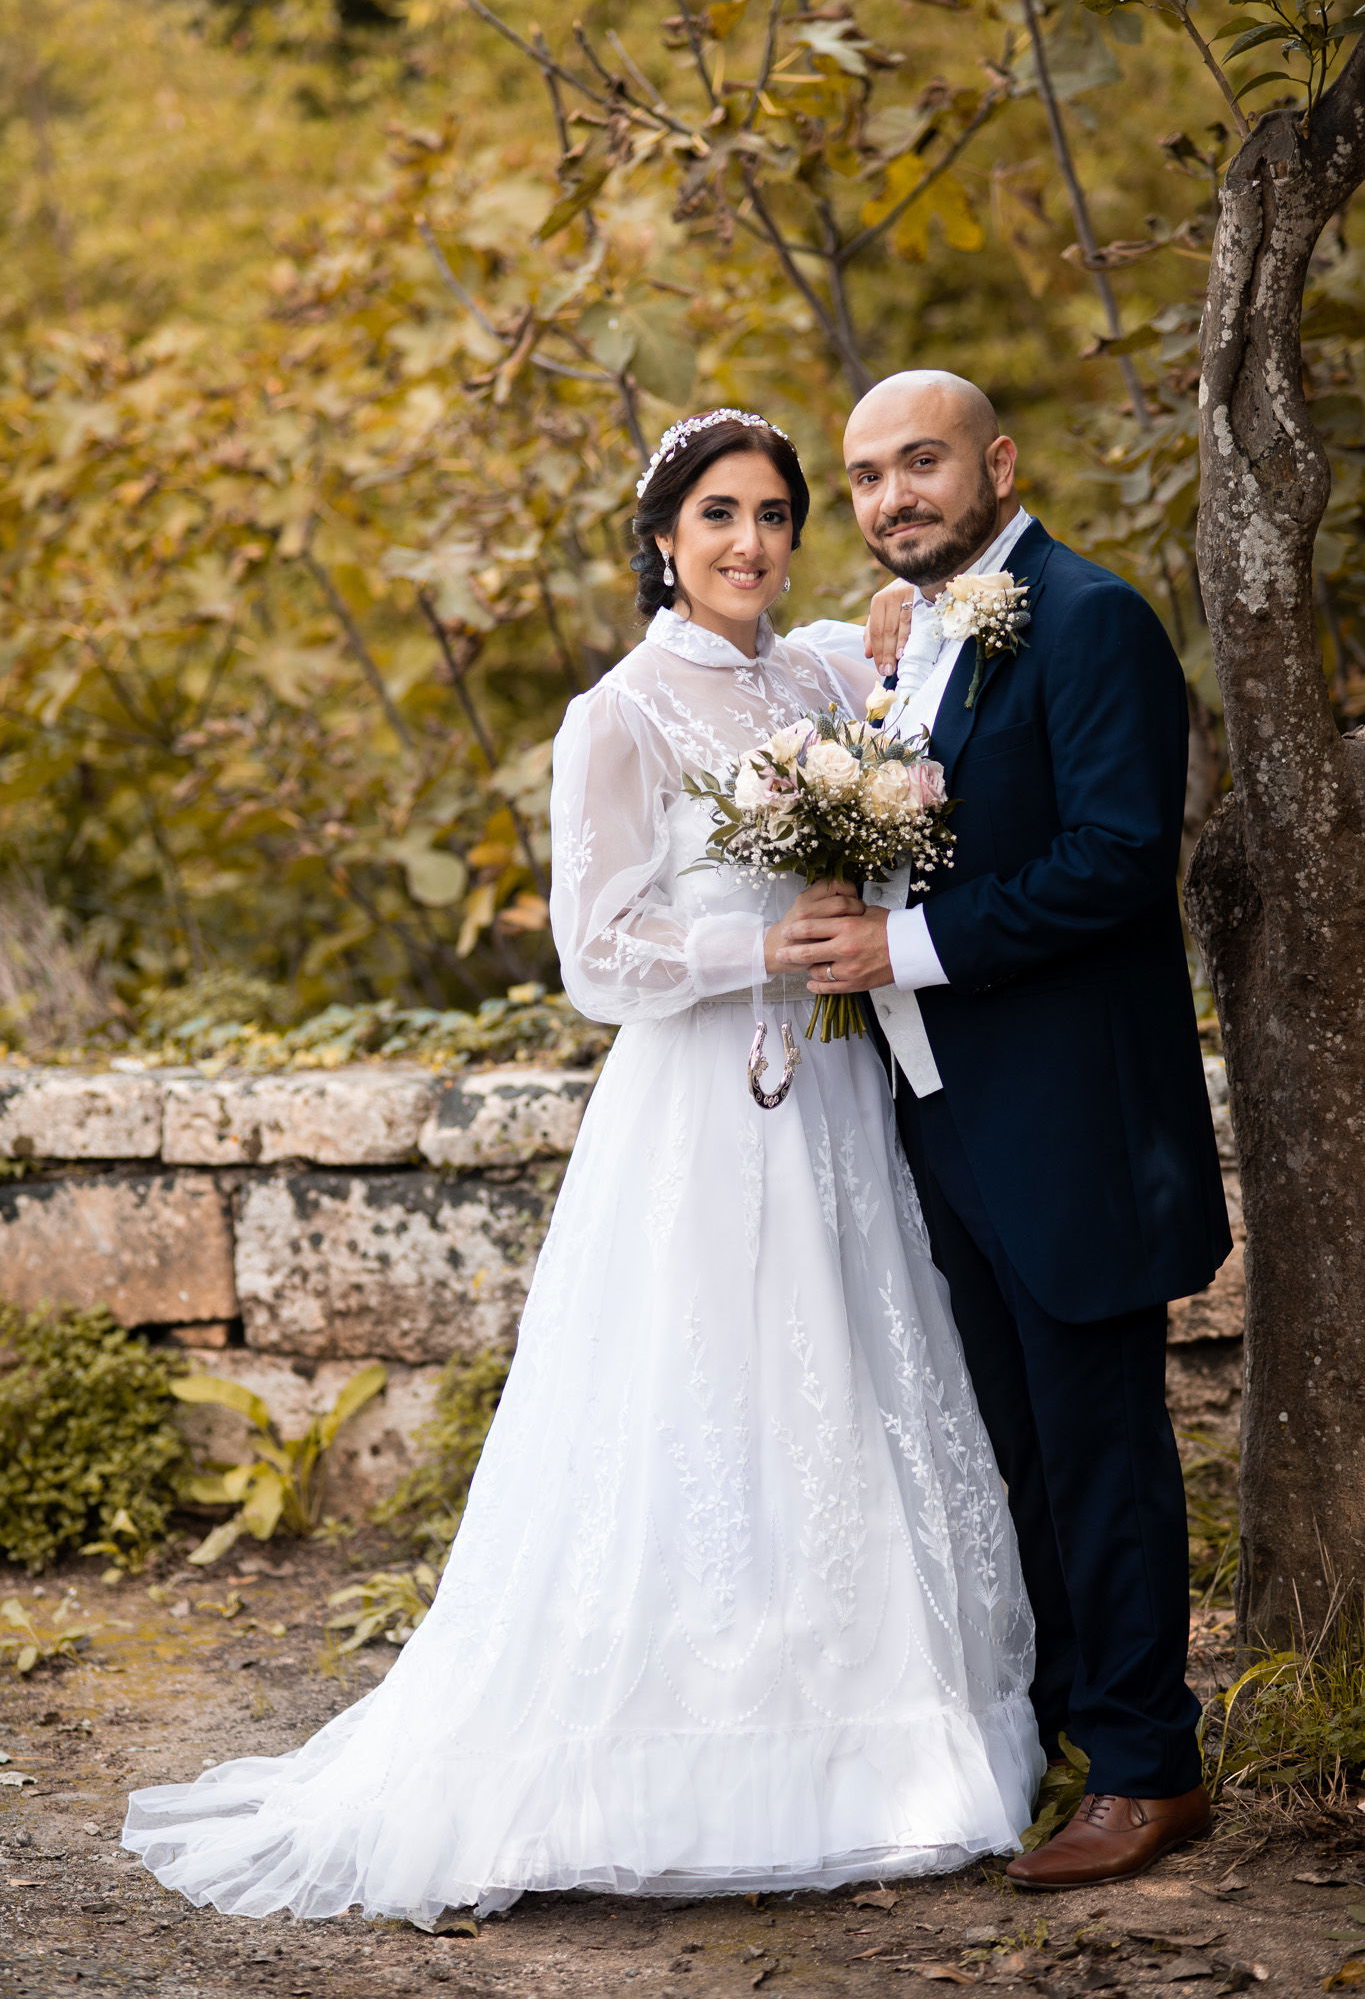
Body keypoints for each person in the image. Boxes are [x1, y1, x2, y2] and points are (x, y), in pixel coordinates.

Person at [122, 409, 1043, 1927]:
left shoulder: (817, 669)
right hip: (698, 1109)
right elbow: (596, 955)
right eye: (715, 518)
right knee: (700, 1401)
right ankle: (662, 1762)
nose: (747, 543)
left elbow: (903, 644)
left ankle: (886, 1749)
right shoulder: (616, 713)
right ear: (663, 544)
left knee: (844, 1386)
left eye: (770, 514)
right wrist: (769, 947)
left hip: (833, 1100)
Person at [775, 370, 1232, 1890]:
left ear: (996, 463)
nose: (891, 496)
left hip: (1069, 1120)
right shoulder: (914, 642)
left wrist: (899, 953)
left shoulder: (1087, 616)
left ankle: (1150, 1766)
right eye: (863, 476)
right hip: (941, 1113)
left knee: (1099, 1449)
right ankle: (1051, 1730)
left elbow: (1116, 860)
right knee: (1013, 1450)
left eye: (920, 463)